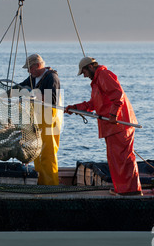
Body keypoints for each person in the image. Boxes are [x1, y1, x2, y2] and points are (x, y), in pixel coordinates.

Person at [64, 57, 142, 196]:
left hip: (120, 125)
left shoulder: (104, 75)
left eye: (84, 72)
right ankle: (122, 189)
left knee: (124, 158)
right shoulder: (96, 82)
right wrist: (75, 108)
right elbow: (93, 104)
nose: (84, 76)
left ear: (90, 67)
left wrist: (113, 115)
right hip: (110, 127)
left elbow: (118, 95)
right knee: (115, 160)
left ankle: (132, 191)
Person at [20, 54, 62, 185]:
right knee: (36, 152)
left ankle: (51, 185)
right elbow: (20, 87)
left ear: (38, 66)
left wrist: (34, 95)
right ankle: (40, 183)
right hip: (38, 121)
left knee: (48, 154)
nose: (28, 71)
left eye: (30, 68)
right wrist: (4, 93)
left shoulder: (51, 77)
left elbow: (53, 99)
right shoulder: (33, 77)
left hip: (50, 121)